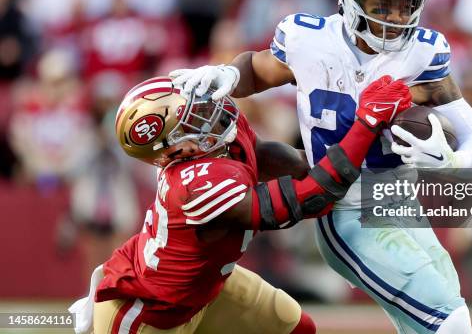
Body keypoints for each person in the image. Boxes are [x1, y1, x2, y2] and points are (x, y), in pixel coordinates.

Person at [171, 0, 472, 334]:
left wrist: (453, 162)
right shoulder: (310, 39)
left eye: (403, 5)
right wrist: (231, 74)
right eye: (381, 5)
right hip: (347, 210)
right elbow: (258, 69)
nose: (395, 17)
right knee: (449, 320)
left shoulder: (422, 54)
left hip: (400, 205)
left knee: (437, 321)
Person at [69, 75, 411, 334]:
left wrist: (363, 164)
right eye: (193, 117)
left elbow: (276, 158)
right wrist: (366, 124)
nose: (209, 111)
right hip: (150, 313)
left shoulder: (219, 136)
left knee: (293, 326)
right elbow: (310, 199)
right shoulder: (195, 184)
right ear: (173, 148)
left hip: (209, 288)